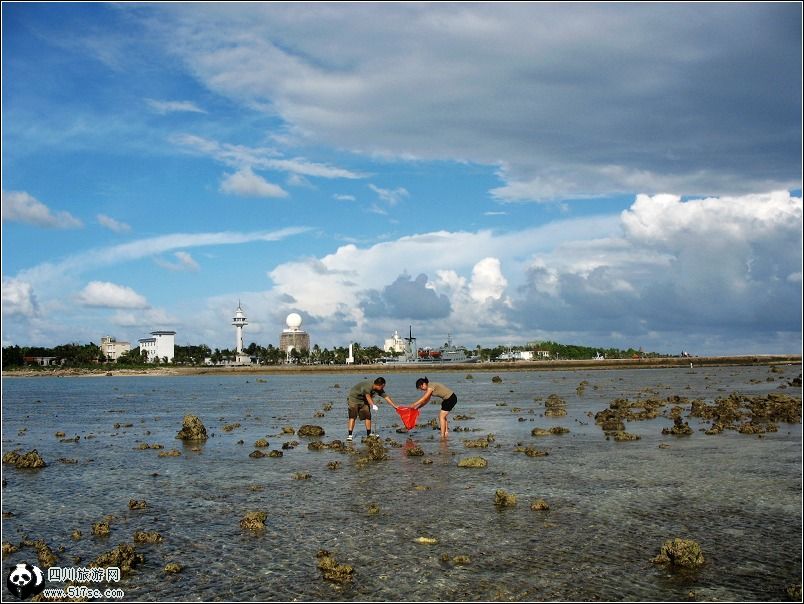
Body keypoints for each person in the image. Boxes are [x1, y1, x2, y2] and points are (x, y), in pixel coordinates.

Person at [346, 377, 398, 441]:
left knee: (368, 416)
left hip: (363, 400)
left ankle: (369, 434)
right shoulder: (367, 386)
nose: (383, 388)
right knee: (352, 417)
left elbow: (386, 397)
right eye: (383, 386)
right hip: (353, 399)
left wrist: (395, 406)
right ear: (380, 385)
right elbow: (368, 396)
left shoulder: (379, 389)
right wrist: (373, 405)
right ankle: (350, 435)